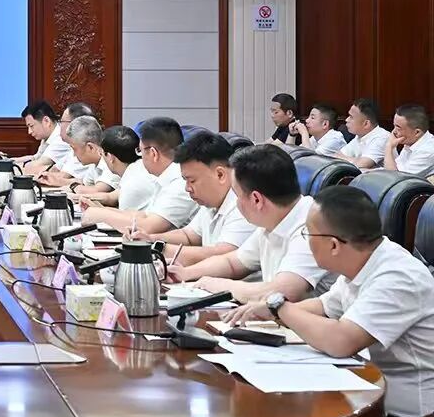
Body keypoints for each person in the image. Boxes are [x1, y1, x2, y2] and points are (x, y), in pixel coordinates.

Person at [225, 186, 434, 417]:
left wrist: (279, 306)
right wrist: (267, 312)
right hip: (371, 394)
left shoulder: (398, 277)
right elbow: (325, 306)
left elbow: (341, 341)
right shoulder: (365, 259)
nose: (306, 240)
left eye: (308, 233)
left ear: (333, 245)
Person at [167, 144, 330, 303]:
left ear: (256, 200)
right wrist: (186, 273)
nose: (236, 202)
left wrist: (217, 285)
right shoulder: (272, 220)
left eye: (237, 195)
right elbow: (232, 263)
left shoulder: (312, 227)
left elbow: (280, 292)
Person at [127, 132, 255, 267]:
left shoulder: (243, 204)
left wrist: (157, 248)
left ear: (220, 174)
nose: (187, 188)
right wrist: (149, 239)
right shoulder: (211, 201)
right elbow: (188, 236)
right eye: (185, 181)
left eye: (192, 181)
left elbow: (223, 255)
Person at [83, 117, 198, 234]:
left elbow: (149, 226)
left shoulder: (181, 181)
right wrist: (101, 210)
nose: (140, 158)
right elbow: (145, 216)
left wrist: (101, 214)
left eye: (140, 151)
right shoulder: (166, 176)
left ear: (153, 153)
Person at [78, 125, 156, 210]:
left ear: (110, 157)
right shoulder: (138, 167)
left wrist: (97, 210)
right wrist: (82, 198)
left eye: (102, 154)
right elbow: (111, 197)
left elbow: (126, 217)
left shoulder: (132, 184)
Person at [28, 103, 95, 177]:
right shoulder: (72, 149)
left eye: (62, 121)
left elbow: (62, 177)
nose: (59, 125)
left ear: (75, 125)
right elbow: (54, 169)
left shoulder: (86, 150)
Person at [59, 117, 119, 195]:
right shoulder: (94, 164)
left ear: (90, 147)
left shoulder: (110, 159)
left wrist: (73, 187)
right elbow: (85, 185)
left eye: (74, 149)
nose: (74, 155)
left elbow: (95, 191)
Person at [336, 98, 391, 170]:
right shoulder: (359, 136)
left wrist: (346, 159)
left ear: (366, 124)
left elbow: (362, 164)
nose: (347, 120)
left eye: (351, 117)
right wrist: (354, 160)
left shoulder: (382, 137)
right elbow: (337, 156)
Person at [384, 104, 434, 175]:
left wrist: (389, 147)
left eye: (398, 127)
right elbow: (396, 167)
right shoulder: (411, 142)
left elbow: (394, 177)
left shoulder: (427, 151)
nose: (394, 131)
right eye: (394, 125)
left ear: (417, 132)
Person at [15, 102, 62, 171]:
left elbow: (37, 165)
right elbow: (35, 158)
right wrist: (10, 161)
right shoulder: (47, 136)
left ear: (46, 121)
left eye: (31, 126)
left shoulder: (62, 138)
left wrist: (7, 166)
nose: (29, 132)